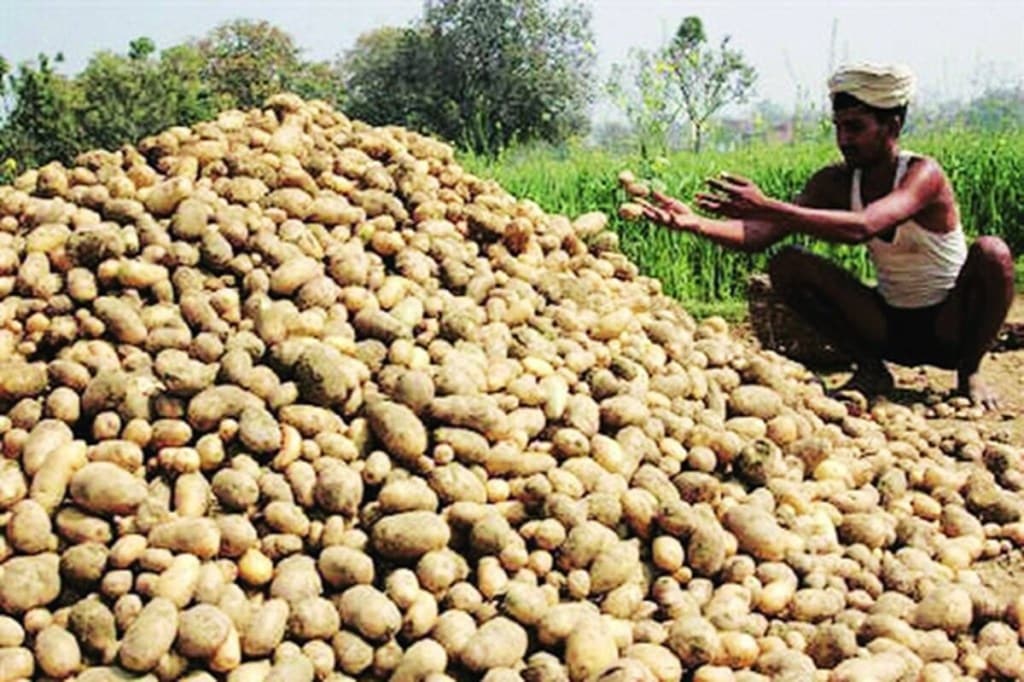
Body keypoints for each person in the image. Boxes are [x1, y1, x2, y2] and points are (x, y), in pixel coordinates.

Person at [638, 63, 1014, 409]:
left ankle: (970, 373)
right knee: (787, 263)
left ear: (893, 127)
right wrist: (695, 223)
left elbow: (864, 226)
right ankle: (870, 367)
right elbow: (759, 236)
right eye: (838, 126)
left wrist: (769, 205)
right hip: (888, 327)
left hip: (951, 328)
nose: (844, 139)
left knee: (991, 252)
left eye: (855, 127)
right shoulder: (834, 182)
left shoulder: (922, 174)